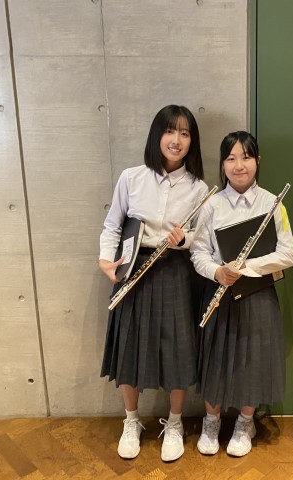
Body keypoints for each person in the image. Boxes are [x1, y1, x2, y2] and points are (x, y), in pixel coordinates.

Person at [99, 105, 208, 462]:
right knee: (130, 345)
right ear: (156, 135)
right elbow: (113, 224)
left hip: (176, 271)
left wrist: (184, 240)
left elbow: (201, 237)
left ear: (192, 141)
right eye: (170, 131)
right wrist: (106, 260)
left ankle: (174, 423)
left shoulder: (199, 187)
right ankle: (131, 421)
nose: (176, 140)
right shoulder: (131, 178)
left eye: (185, 133)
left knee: (177, 348)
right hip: (133, 268)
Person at [190, 131, 293, 457]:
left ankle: (244, 423)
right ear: (223, 164)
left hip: (258, 295)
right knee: (215, 358)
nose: (239, 165)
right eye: (231, 158)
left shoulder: (273, 203)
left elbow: (288, 254)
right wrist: (217, 271)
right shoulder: (211, 204)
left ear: (257, 161)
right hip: (219, 293)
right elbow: (198, 252)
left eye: (246, 157)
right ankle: (211, 421)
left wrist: (247, 266)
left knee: (253, 359)